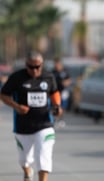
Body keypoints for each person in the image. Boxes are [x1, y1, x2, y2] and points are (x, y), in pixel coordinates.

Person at [0, 51, 63, 181]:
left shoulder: (48, 77)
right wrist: (17, 107)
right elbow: (3, 95)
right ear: (26, 65)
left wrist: (57, 106)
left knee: (43, 156)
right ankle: (27, 170)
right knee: (24, 160)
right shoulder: (17, 77)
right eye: (31, 67)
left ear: (42, 64)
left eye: (38, 67)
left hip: (45, 124)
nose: (35, 70)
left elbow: (54, 93)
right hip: (23, 126)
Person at [52, 57, 71, 127]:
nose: (56, 65)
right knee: (55, 105)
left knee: (62, 106)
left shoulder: (64, 72)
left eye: (58, 64)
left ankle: (61, 120)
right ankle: (55, 119)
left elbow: (69, 80)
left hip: (63, 92)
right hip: (55, 91)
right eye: (55, 64)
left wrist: (66, 83)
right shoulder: (53, 72)